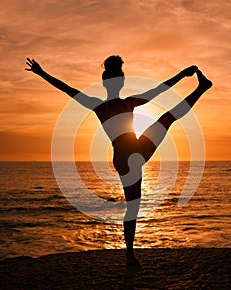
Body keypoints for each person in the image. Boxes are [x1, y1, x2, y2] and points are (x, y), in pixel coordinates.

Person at [25, 56, 212, 265]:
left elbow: (159, 90)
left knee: (166, 120)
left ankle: (130, 253)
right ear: (116, 82)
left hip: (131, 151)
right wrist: (41, 73)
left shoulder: (106, 106)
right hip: (129, 155)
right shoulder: (114, 104)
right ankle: (130, 253)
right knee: (166, 121)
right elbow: (68, 89)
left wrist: (181, 74)